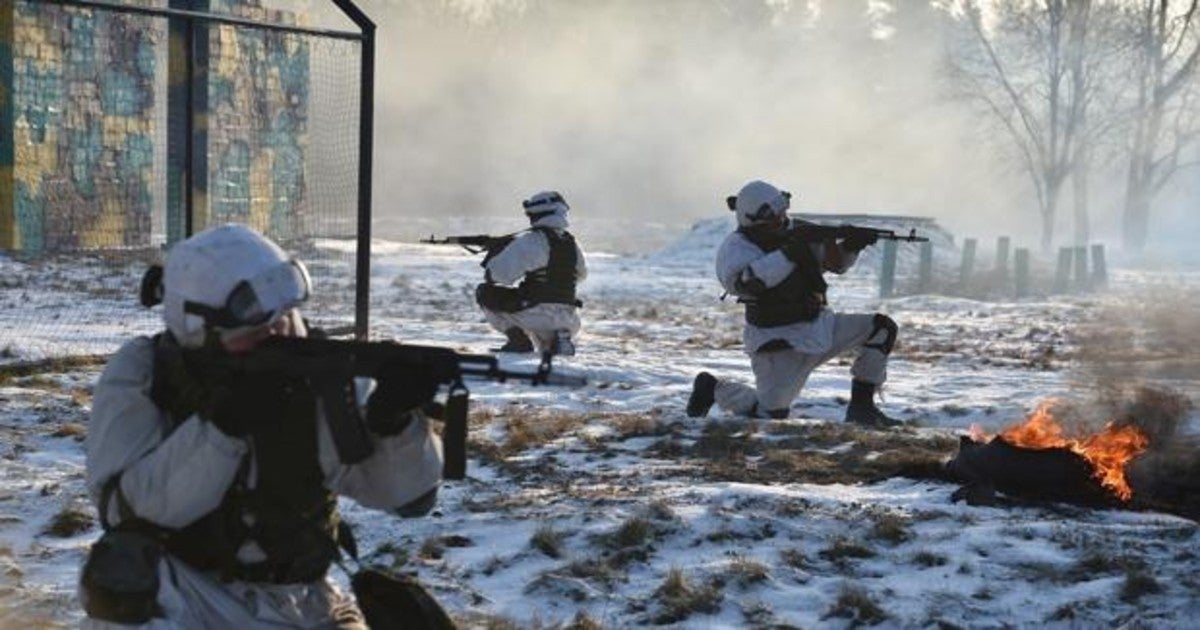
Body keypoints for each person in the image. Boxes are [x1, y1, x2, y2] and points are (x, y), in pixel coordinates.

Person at [80, 224, 444, 628]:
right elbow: (125, 513)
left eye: (284, 316)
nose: (279, 333)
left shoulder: (320, 373)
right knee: (118, 585)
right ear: (201, 331)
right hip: (188, 593)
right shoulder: (145, 373)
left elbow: (410, 499)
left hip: (302, 600)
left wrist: (394, 425)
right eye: (255, 330)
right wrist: (222, 430)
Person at [686, 180, 902, 427]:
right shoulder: (736, 248)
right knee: (770, 417)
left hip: (820, 327)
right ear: (753, 220)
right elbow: (746, 283)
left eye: (782, 212)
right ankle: (714, 389)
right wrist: (788, 255)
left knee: (881, 328)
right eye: (773, 217)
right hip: (778, 342)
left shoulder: (797, 232)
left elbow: (836, 264)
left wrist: (852, 245)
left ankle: (862, 408)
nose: (782, 219)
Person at [475, 190, 587, 355]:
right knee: (548, 353)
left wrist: (495, 253)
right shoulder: (572, 243)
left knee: (485, 292)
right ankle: (560, 338)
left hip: (533, 315)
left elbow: (497, 275)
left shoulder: (530, 241)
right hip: (569, 318)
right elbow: (581, 275)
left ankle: (518, 340)